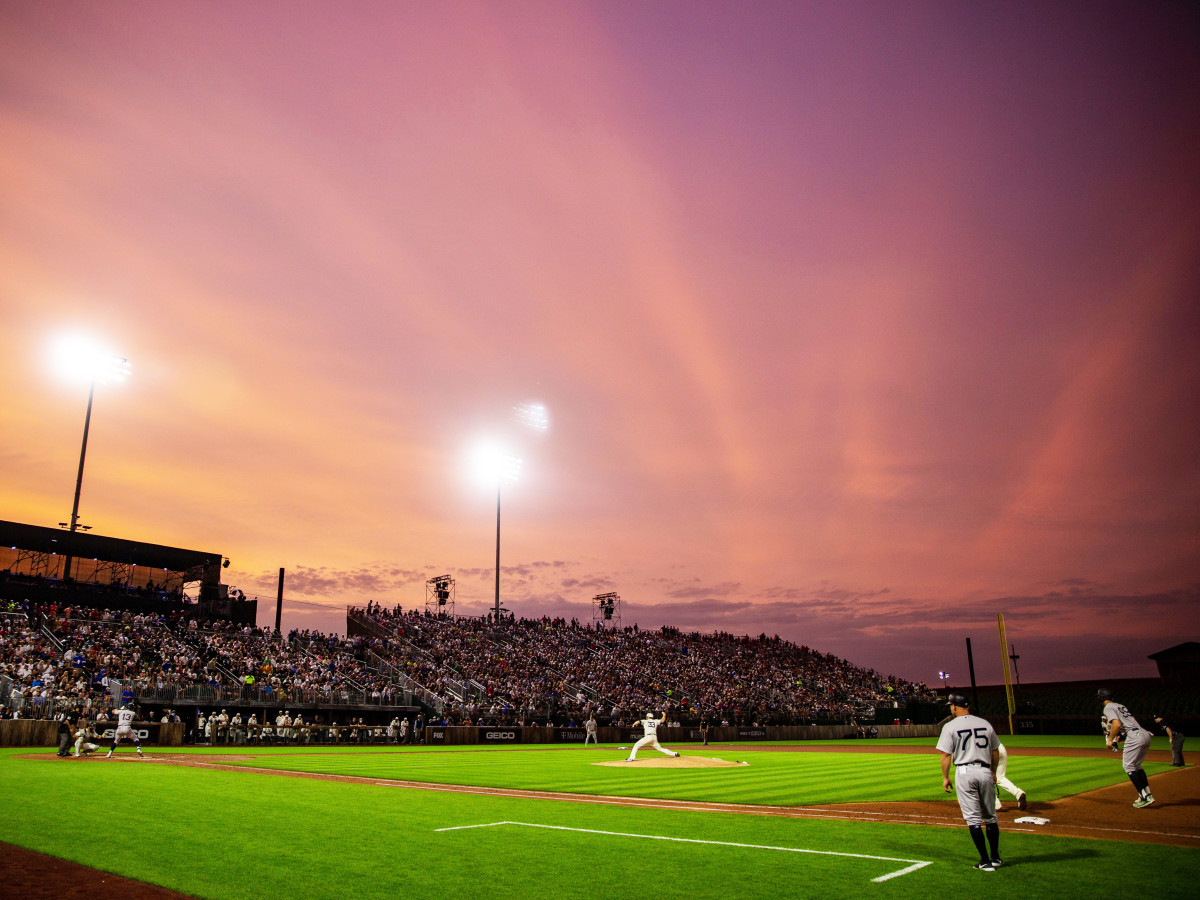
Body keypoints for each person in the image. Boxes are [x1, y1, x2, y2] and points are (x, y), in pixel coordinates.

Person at [936, 693, 1002, 871]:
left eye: (951, 705)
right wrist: (993, 771)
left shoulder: (950, 726)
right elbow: (995, 751)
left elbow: (945, 754)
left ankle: (985, 861)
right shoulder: (984, 723)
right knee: (990, 817)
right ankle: (995, 857)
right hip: (984, 770)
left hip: (965, 772)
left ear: (955, 707)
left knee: (973, 819)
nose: (950, 708)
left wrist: (945, 777)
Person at [1099, 688, 1154, 807]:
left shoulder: (1108, 707)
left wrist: (1110, 740)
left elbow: (1116, 724)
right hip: (1144, 733)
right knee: (1136, 766)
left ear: (1101, 698)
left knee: (1128, 766)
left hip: (1135, 736)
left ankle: (1145, 797)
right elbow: (1128, 722)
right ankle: (1146, 795)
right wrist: (1123, 736)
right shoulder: (1119, 705)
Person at [994, 742, 1028, 810]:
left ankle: (996, 805)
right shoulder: (989, 730)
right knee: (1000, 777)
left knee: (985, 778)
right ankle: (1019, 793)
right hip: (1000, 747)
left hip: (989, 750)